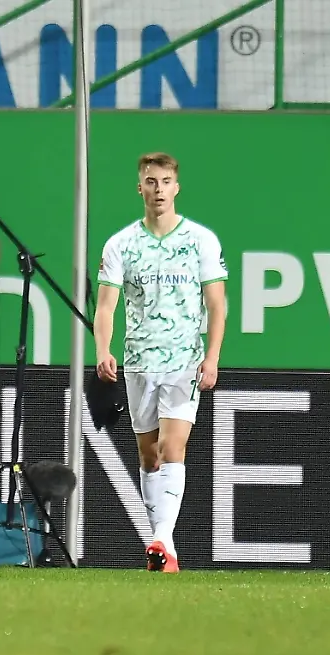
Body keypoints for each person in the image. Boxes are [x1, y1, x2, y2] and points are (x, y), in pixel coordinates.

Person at [94, 152, 227, 574]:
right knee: (149, 456)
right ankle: (162, 545)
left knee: (173, 448)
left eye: (166, 182)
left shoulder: (201, 241)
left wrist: (212, 356)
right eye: (151, 182)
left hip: (184, 360)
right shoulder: (120, 244)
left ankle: (163, 540)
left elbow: (217, 304)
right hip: (138, 361)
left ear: (176, 187)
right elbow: (105, 306)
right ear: (140, 188)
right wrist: (102, 349)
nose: (159, 190)